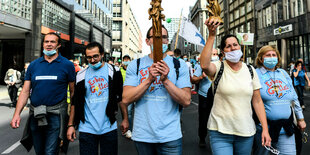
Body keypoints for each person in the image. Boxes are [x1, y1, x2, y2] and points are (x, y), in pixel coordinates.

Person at [199, 18, 271, 154]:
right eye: (228, 46)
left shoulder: (250, 70)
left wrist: (265, 129)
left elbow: (257, 101)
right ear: (223, 51)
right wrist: (211, 36)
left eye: (235, 45)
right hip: (220, 131)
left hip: (245, 131)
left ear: (240, 46)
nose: (233, 48)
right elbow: (204, 65)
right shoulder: (219, 67)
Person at [120, 26, 191, 155]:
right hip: (143, 135)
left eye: (164, 37)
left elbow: (186, 100)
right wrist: (149, 80)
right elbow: (126, 99)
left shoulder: (179, 65)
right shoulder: (135, 65)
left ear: (167, 41)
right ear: (147, 41)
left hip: (170, 136)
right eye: (156, 37)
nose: (160, 41)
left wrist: (166, 80)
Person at [10, 32, 75, 155]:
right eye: (46, 41)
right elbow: (25, 91)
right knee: (39, 151)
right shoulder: (34, 65)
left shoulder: (67, 65)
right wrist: (16, 114)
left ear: (59, 45)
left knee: (50, 152)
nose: (49, 44)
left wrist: (71, 122)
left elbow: (73, 94)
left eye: (52, 42)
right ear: (43, 44)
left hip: (56, 115)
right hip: (36, 114)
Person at [67, 42, 122, 155]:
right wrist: (71, 125)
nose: (92, 60)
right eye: (89, 57)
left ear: (102, 54)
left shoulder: (114, 71)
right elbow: (75, 102)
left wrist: (125, 119)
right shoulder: (81, 75)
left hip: (109, 127)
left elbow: (121, 97)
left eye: (95, 56)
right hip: (87, 128)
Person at [253, 45, 306, 155]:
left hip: (286, 127)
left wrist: (300, 118)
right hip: (264, 128)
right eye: (267, 55)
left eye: (274, 55)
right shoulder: (255, 73)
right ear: (261, 58)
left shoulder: (282, 73)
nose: (271, 57)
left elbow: (294, 97)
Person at [191, 48, 218, 147]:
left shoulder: (221, 65)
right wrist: (201, 77)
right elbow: (193, 79)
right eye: (212, 54)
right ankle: (202, 138)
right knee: (204, 119)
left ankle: (217, 139)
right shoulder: (201, 66)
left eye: (216, 54)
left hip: (218, 97)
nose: (214, 56)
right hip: (205, 96)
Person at [120, 54, 133, 139]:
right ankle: (126, 128)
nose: (126, 61)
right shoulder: (119, 70)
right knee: (125, 112)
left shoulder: (132, 70)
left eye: (128, 60)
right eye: (125, 60)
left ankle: (128, 128)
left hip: (132, 94)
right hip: (122, 95)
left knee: (129, 112)